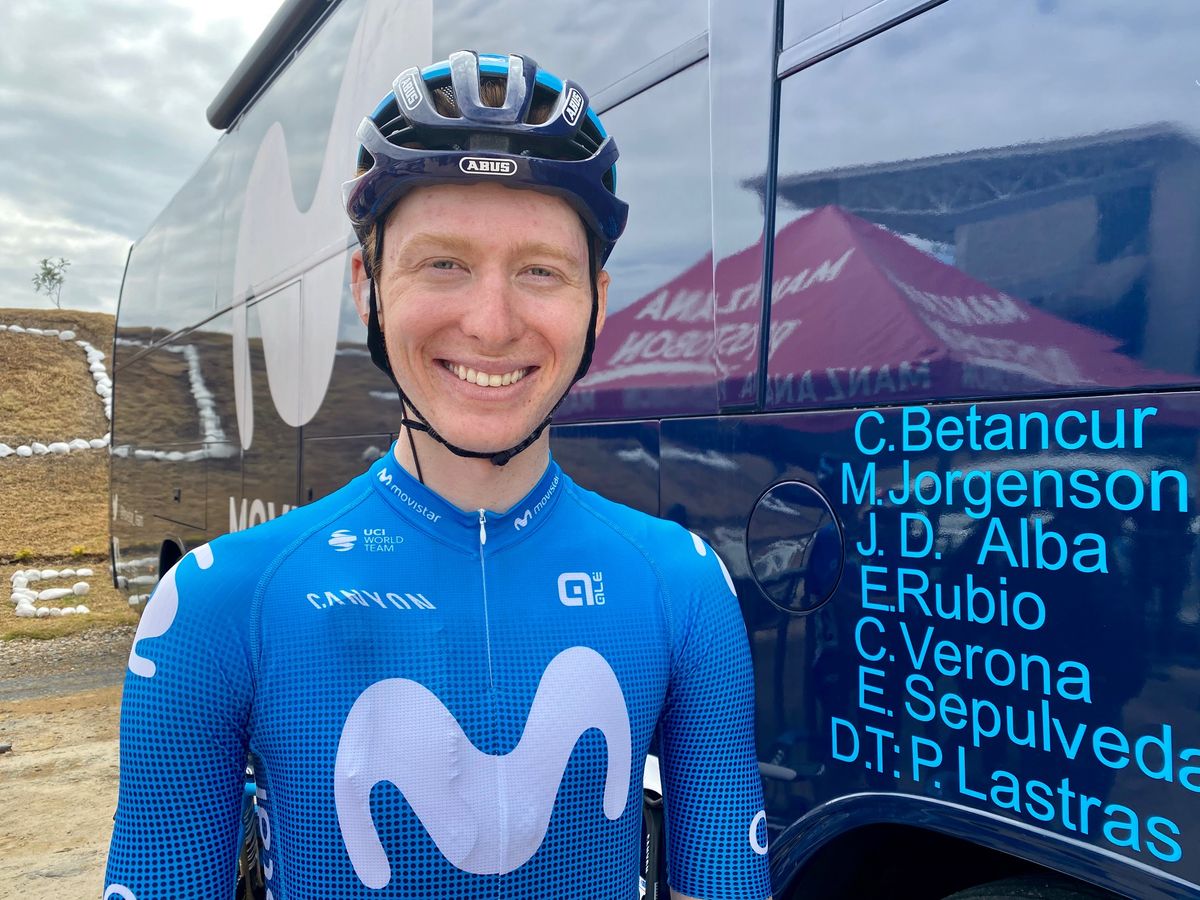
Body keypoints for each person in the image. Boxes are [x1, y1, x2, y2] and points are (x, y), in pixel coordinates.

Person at [104, 51, 772, 900]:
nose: (491, 323)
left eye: (540, 270)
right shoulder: (213, 607)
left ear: (596, 299)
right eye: (442, 263)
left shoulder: (682, 586)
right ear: (366, 286)